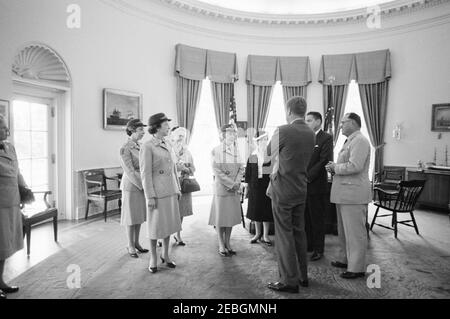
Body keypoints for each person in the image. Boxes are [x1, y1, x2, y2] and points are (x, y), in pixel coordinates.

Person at [266, 96, 315, 293]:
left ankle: (288, 281)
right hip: (301, 188)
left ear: (288, 110)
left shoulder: (283, 130)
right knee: (299, 232)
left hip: (283, 189)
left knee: (284, 234)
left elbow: (268, 153)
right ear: (304, 111)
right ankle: (303, 276)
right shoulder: (310, 132)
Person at [325, 113, 371, 280]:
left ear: (352, 122)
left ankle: (357, 268)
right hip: (345, 193)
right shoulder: (351, 140)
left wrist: (335, 167)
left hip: (354, 194)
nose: (340, 126)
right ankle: (346, 259)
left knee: (355, 232)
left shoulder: (360, 140)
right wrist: (335, 167)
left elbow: (355, 166)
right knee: (344, 231)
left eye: (343, 122)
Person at [140, 113, 181, 273]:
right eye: (166, 125)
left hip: (170, 191)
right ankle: (153, 258)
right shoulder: (148, 146)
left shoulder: (168, 143)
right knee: (155, 227)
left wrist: (177, 188)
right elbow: (145, 174)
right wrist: (149, 196)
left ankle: (165, 254)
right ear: (156, 127)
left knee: (168, 225)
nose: (168, 128)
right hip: (157, 193)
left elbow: (173, 170)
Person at [209, 124, 244, 257]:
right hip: (222, 188)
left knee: (230, 217)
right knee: (220, 217)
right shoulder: (216, 150)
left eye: (234, 133)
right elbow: (217, 171)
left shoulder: (237, 150)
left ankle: (228, 242)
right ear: (223, 135)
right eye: (230, 133)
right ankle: (221, 243)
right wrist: (231, 183)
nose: (233, 135)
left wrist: (237, 183)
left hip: (234, 188)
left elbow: (241, 168)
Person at [0, 115, 26, 299]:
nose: (7, 131)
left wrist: (24, 192)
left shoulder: (10, 147)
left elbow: (17, 172)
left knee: (5, 245)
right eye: (3, 127)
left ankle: (0, 281)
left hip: (12, 202)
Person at [305, 112, 333, 261]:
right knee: (306, 218)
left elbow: (324, 160)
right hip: (303, 186)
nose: (306, 122)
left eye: (309, 120)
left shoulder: (326, 138)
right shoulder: (305, 137)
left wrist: (307, 177)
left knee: (317, 219)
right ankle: (308, 245)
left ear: (318, 121)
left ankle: (318, 249)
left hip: (316, 185)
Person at [119, 119, 149, 258]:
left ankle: (137, 242)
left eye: (143, 130)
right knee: (130, 217)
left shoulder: (141, 145)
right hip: (132, 186)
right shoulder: (125, 148)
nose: (143, 132)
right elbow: (130, 171)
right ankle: (130, 245)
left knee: (138, 216)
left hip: (142, 184)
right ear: (131, 131)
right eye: (140, 130)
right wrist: (143, 185)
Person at [244, 131, 274, 246]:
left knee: (266, 210)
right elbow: (248, 172)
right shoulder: (253, 155)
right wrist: (247, 186)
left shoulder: (269, 155)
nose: (264, 142)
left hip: (267, 185)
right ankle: (257, 234)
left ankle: (265, 235)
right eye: (262, 140)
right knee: (256, 210)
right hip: (255, 185)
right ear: (257, 141)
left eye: (266, 139)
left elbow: (273, 170)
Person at [170, 126, 195, 246]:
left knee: (181, 211)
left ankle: (178, 234)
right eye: (179, 136)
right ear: (172, 136)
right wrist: (177, 167)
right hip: (170, 184)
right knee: (168, 211)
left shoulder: (188, 152)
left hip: (183, 183)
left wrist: (186, 168)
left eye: (183, 137)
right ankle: (162, 237)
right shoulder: (168, 150)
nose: (181, 139)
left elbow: (193, 168)